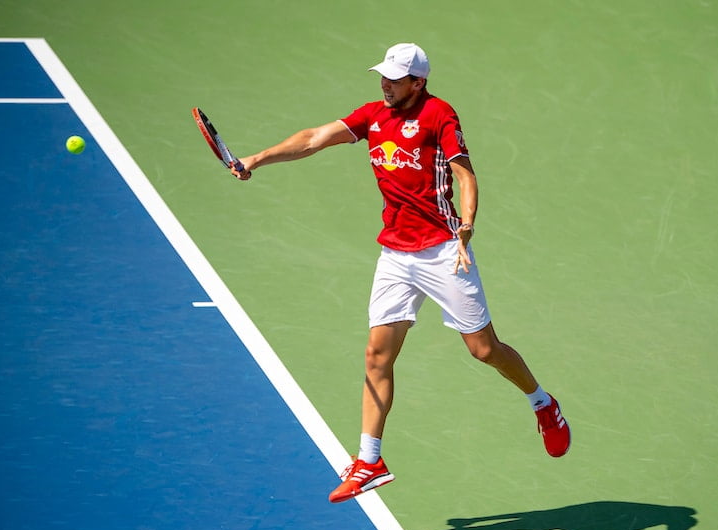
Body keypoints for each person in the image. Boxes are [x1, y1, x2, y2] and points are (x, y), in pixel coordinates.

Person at [230, 43, 571, 504]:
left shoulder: (439, 116)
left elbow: (465, 175)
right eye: (383, 75)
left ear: (419, 81)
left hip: (443, 250)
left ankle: (542, 403)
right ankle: (370, 460)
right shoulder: (373, 115)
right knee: (376, 355)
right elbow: (313, 138)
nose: (385, 83)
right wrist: (256, 159)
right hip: (395, 254)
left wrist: (467, 223)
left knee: (484, 348)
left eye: (394, 77)